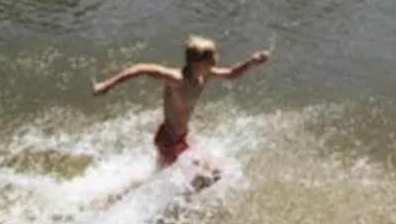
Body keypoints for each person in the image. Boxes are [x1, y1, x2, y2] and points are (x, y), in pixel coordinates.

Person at [92, 35, 269, 183]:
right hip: (169, 140)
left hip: (179, 138)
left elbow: (231, 74)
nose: (215, 62)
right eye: (211, 60)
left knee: (162, 178)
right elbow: (141, 69)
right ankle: (178, 208)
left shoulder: (204, 75)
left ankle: (149, 197)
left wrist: (252, 62)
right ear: (197, 63)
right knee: (212, 174)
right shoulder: (176, 79)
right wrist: (106, 85)